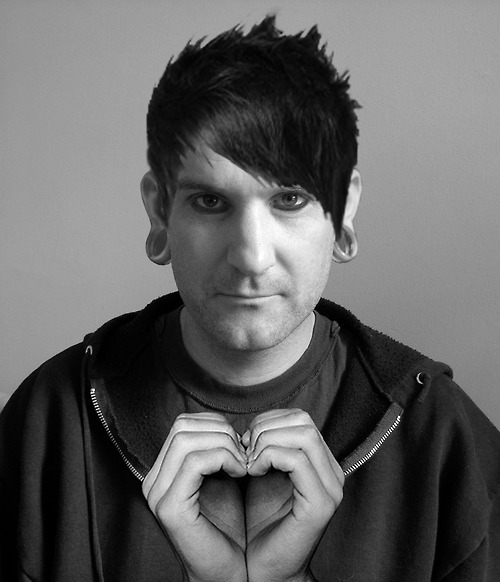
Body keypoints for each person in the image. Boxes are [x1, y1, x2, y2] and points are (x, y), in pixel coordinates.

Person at [0, 15, 499, 582]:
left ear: (343, 211)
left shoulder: (443, 438)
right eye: (211, 202)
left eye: (290, 199)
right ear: (159, 212)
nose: (251, 256)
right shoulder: (48, 425)